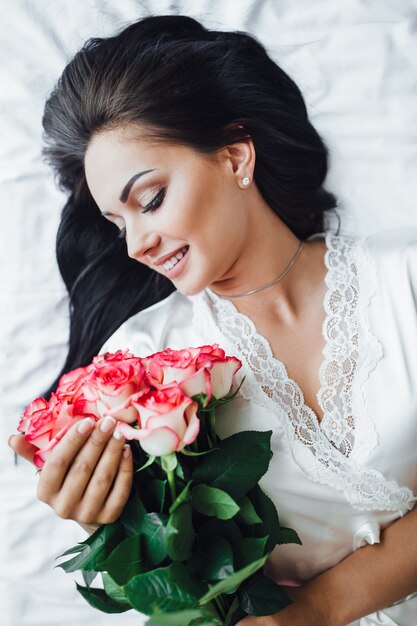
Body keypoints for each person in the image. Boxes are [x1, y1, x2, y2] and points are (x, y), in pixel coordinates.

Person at [7, 14, 417, 626]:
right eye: (117, 224)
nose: (134, 245)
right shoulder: (139, 366)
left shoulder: (405, 278)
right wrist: (128, 524)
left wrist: (322, 607)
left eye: (149, 200)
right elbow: (190, 592)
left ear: (234, 156)